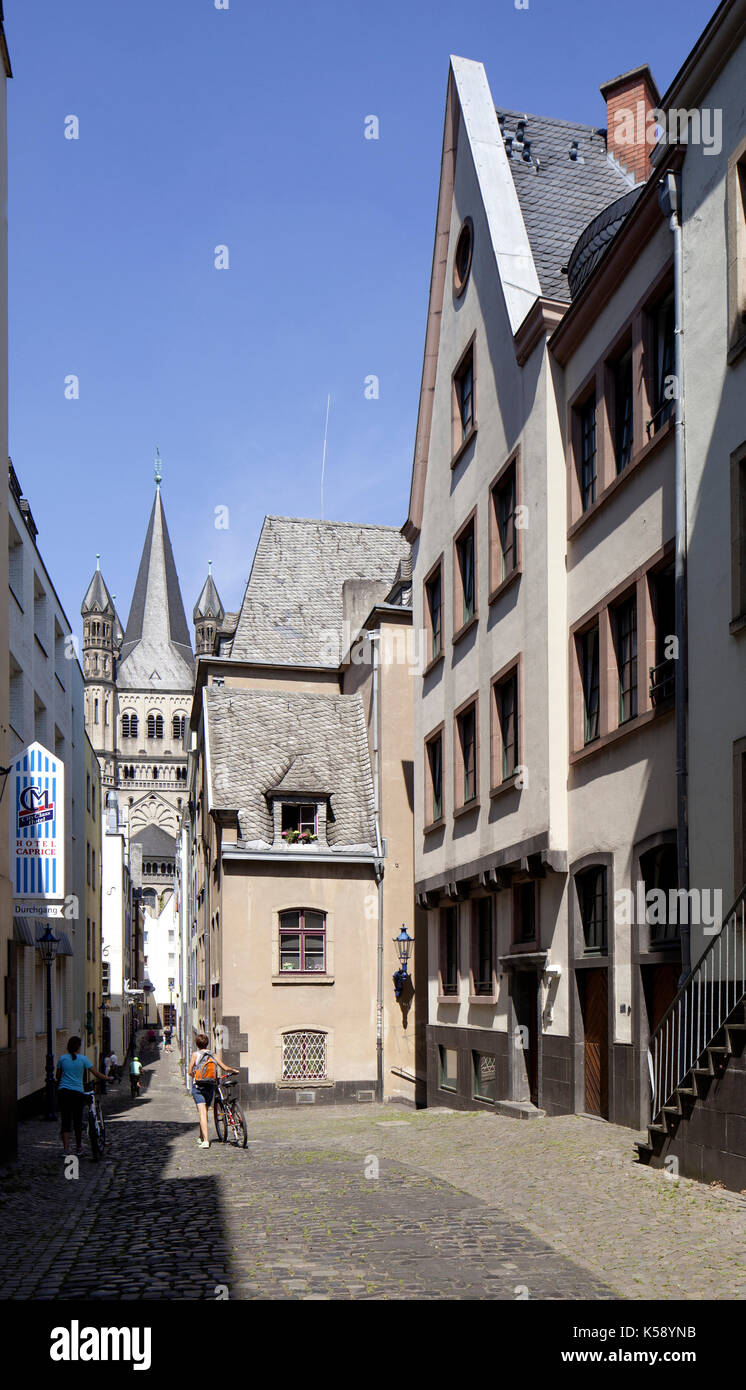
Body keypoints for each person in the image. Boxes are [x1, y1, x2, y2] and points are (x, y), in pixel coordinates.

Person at [55, 1036, 107, 1156]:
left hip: (64, 1093)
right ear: (78, 1047)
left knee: (66, 1121)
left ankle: (66, 1149)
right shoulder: (83, 1059)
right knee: (77, 1121)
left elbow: (58, 1076)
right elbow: (95, 1072)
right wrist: (107, 1077)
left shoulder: (62, 1059)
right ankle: (79, 1147)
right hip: (77, 1092)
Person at [188, 1032, 238, 1148]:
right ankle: (201, 1137)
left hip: (199, 1086)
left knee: (202, 1113)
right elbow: (225, 1067)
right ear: (207, 1043)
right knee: (205, 1113)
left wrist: (195, 1075)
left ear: (197, 1044)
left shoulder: (195, 1055)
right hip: (210, 1086)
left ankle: (206, 1141)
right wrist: (234, 1070)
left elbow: (190, 1071)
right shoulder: (213, 1055)